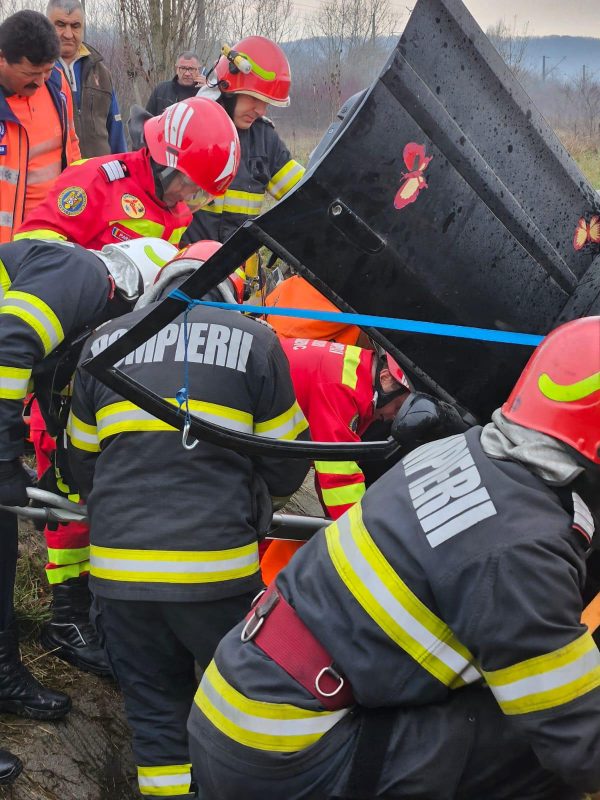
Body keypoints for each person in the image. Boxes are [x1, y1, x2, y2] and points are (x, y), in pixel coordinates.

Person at [188, 315, 600, 800]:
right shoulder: (521, 550)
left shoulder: (460, 452)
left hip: (235, 709)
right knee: (529, 742)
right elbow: (582, 746)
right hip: (284, 755)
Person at [66, 241, 310, 799]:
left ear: (156, 284)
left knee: (155, 718)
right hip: (216, 575)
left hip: (120, 578)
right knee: (244, 710)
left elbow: (82, 463)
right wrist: (248, 492)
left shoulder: (102, 343)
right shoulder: (257, 342)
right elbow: (286, 465)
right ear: (234, 291)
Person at [0, 236, 174, 784]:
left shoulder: (80, 310)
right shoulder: (81, 274)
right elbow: (10, 341)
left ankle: (3, 673)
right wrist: (3, 456)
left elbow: (52, 389)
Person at [260, 337, 410, 583]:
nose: (395, 417)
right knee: (287, 511)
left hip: (258, 420)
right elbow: (338, 476)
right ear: (385, 379)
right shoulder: (341, 388)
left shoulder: (357, 371)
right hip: (249, 429)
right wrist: (367, 539)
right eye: (398, 407)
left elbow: (329, 465)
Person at [15, 95, 240, 248]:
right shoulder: (96, 180)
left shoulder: (179, 211)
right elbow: (32, 241)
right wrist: (90, 269)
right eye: (192, 186)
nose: (189, 197)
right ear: (166, 166)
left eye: (201, 195)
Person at [184, 36, 304, 244]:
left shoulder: (266, 140)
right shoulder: (187, 127)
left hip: (239, 263)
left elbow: (304, 196)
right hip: (187, 259)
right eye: (254, 98)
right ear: (228, 89)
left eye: (266, 102)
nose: (261, 111)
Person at [0, 10, 80, 243]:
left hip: (56, 233)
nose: (40, 81)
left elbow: (72, 145)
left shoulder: (57, 83)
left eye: (47, 70)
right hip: (8, 246)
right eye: (31, 73)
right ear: (2, 58)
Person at [47, 0, 127, 157]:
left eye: (75, 26)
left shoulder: (102, 73)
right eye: (60, 25)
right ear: (47, 26)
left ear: (83, 27)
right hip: (60, 171)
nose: (68, 34)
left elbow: (116, 133)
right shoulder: (38, 73)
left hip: (100, 171)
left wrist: (122, 166)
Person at [146, 51, 206, 116]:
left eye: (191, 69)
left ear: (198, 70)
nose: (187, 73)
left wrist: (208, 90)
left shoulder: (205, 93)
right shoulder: (161, 90)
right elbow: (147, 119)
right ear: (176, 69)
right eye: (183, 68)